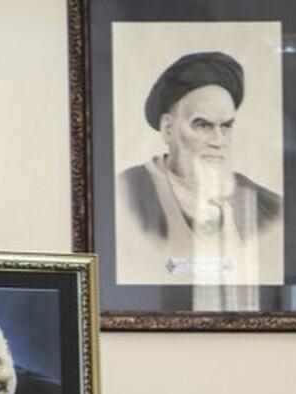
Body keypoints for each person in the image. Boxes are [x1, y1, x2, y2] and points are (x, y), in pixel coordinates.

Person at [116, 50, 281, 285]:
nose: (218, 140)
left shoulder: (267, 206)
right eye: (203, 125)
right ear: (168, 129)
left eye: (226, 126)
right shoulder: (125, 195)